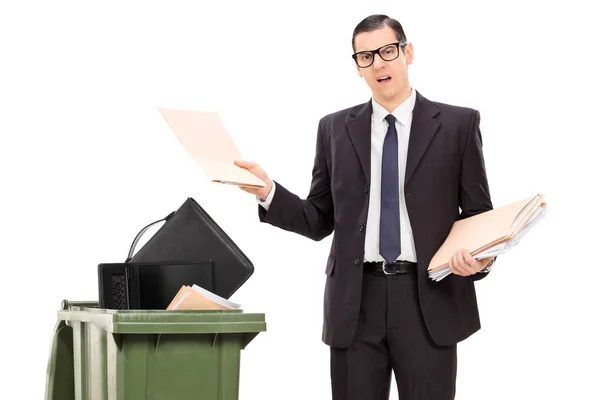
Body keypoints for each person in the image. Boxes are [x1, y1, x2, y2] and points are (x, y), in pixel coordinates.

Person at [234, 14, 496, 400]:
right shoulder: (334, 129)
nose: (378, 63)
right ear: (357, 67)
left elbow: (478, 216)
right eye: (365, 56)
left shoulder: (458, 124)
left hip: (428, 298)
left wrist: (481, 260)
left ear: (408, 53)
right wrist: (268, 191)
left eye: (387, 51)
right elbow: (318, 218)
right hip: (355, 304)